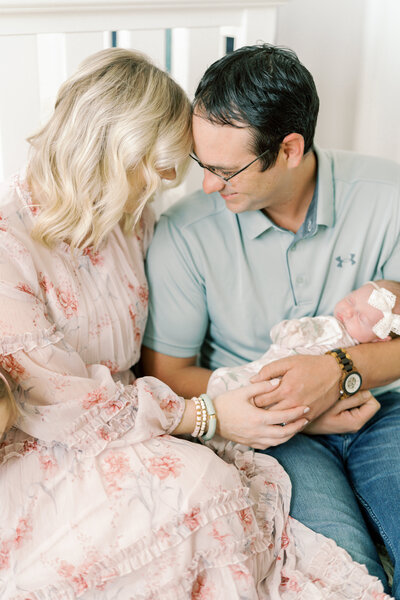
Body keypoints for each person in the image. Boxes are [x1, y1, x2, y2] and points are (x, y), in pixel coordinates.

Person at [0, 47, 389, 600]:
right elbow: (56, 401)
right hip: (60, 437)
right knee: (209, 493)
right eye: (157, 171)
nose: (167, 189)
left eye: (212, 169)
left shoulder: (131, 221)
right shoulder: (12, 243)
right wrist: (208, 414)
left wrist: (305, 390)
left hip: (157, 415)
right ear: (114, 153)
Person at [142, 44, 400, 596]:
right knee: (338, 567)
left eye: (225, 169)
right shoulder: (184, 234)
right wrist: (293, 406)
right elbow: (166, 373)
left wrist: (339, 370)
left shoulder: (388, 197)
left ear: (289, 148)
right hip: (271, 434)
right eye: (201, 164)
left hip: (386, 407)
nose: (208, 185)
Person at [208, 280, 400, 433]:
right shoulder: (334, 326)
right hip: (278, 378)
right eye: (350, 300)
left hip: (298, 402)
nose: (348, 312)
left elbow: (285, 332)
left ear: (380, 341)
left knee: (247, 397)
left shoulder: (335, 330)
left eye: (362, 319)